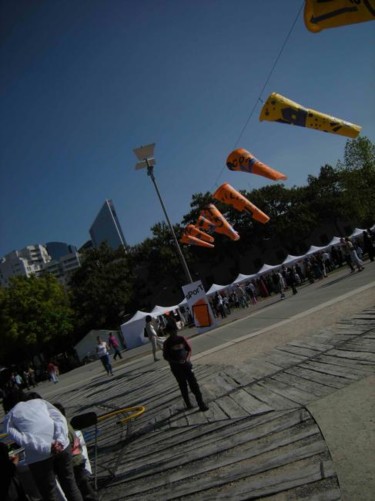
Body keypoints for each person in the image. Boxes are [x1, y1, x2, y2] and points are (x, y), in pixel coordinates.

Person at [3, 389, 83, 501]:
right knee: (70, 485)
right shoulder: (40, 402)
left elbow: (21, 439)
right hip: (62, 447)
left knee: (49, 494)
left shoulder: (10, 416)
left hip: (39, 457)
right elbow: (59, 418)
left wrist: (46, 447)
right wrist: (59, 441)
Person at [53, 403, 98, 501]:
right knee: (82, 485)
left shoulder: (62, 428)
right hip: (77, 459)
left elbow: (67, 444)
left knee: (81, 486)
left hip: (74, 461)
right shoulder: (65, 424)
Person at [163, 317, 209, 412]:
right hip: (176, 368)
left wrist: (187, 359)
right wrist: (176, 362)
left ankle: (201, 403)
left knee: (194, 384)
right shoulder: (167, 343)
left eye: (174, 331)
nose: (173, 333)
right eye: (171, 332)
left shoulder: (182, 339)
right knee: (183, 385)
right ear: (168, 332)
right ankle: (188, 403)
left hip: (187, 365)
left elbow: (189, 350)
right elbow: (166, 357)